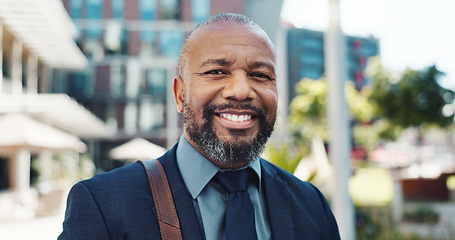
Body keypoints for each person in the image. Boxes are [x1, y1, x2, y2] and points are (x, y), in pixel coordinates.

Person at [58, 13, 340, 240]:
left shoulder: (311, 205)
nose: (241, 90)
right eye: (217, 72)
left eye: (259, 74)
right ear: (180, 95)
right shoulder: (103, 204)